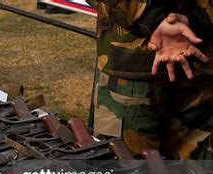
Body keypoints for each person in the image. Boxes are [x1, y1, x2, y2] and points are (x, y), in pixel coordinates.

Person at [86, 1, 212, 160]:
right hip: (135, 73)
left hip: (202, 71)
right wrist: (155, 20)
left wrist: (193, 21)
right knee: (129, 173)